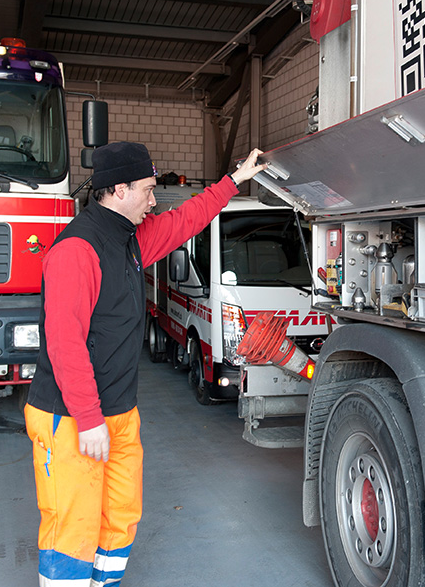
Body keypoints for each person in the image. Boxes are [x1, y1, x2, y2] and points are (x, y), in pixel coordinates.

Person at [24, 141, 267, 586]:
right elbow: (64, 343)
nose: (154, 200)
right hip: (72, 417)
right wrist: (88, 417)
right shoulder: (76, 251)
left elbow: (186, 220)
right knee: (71, 529)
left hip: (117, 413)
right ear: (118, 190)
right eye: (148, 190)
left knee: (120, 519)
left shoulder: (131, 239)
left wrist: (235, 181)